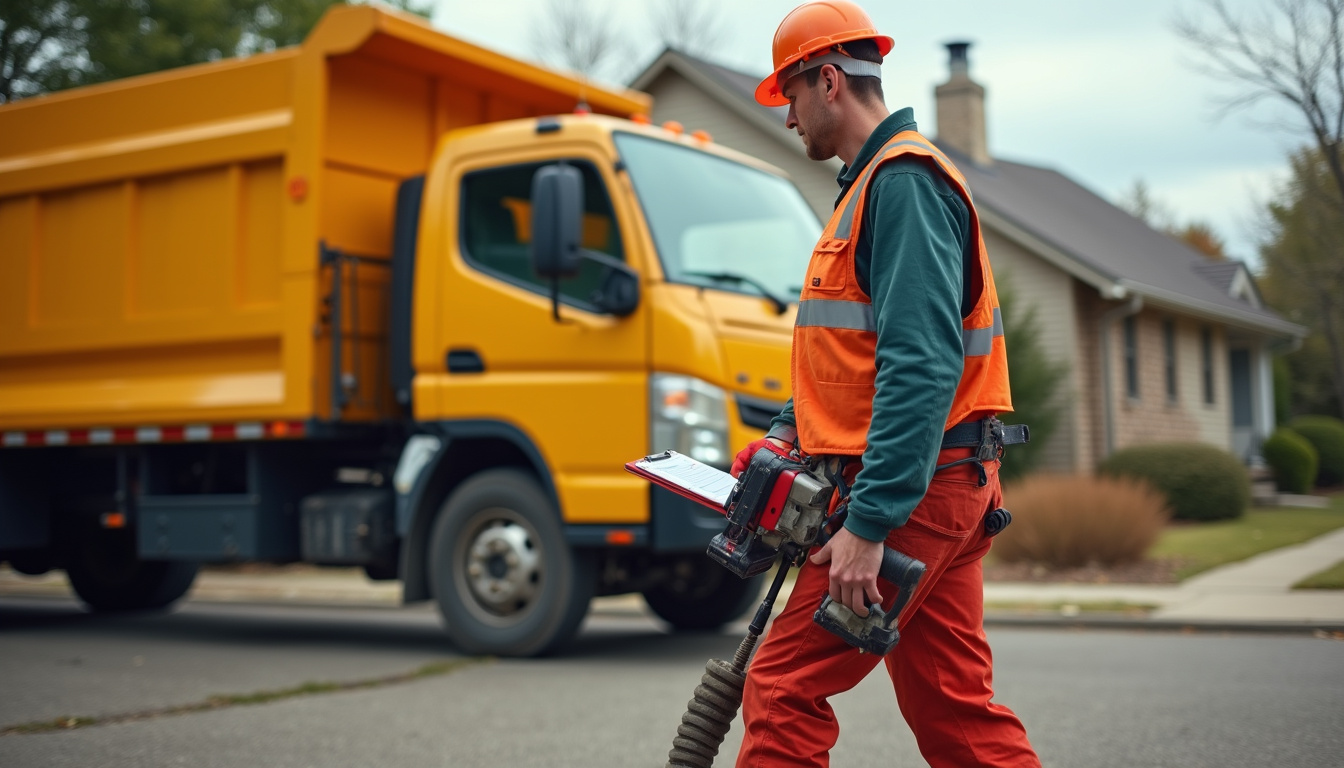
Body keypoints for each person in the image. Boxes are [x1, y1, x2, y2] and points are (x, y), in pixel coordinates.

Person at [727, 3, 1041, 766]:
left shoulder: (900, 186)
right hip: (946, 484)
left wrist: (868, 526)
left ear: (827, 80)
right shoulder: (872, 188)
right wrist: (784, 432)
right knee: (954, 711)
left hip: (915, 494)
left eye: (791, 96)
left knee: (783, 687)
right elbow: (854, 362)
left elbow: (921, 366)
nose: (790, 119)